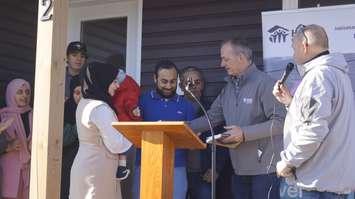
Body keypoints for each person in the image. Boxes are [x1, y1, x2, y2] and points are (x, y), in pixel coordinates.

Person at [189, 38, 286, 199]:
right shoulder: (228, 89)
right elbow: (211, 118)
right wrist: (181, 127)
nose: (221, 64)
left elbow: (280, 122)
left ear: (241, 57)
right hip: (239, 171)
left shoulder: (265, 83)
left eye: (225, 59)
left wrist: (244, 133)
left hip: (265, 171)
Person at [273, 24, 355, 198]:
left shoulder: (318, 77)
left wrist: (287, 162)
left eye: (294, 47)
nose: (293, 53)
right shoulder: (339, 75)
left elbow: (313, 130)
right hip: (331, 182)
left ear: (304, 46)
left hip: (314, 185)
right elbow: (322, 120)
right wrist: (290, 103)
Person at [132, 60, 195, 199]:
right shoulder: (142, 101)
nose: (168, 86)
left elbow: (193, 139)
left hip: (176, 166)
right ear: (155, 78)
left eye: (173, 81)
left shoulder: (187, 105)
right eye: (164, 81)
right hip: (145, 164)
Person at [69, 62, 132, 199]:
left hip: (86, 165)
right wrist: (137, 135)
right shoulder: (100, 108)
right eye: (114, 81)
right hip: (97, 169)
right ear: (103, 80)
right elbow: (115, 144)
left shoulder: (84, 103)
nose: (117, 85)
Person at [179, 66, 230, 199]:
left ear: (203, 84)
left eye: (197, 82)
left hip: (203, 173)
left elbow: (222, 141)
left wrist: (216, 168)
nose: (193, 86)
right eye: (188, 82)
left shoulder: (212, 110)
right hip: (178, 170)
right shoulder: (174, 108)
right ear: (181, 85)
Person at [0, 79, 33, 199]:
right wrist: (9, 146)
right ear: (11, 93)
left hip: (29, 170)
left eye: (27, 92)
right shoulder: (3, 116)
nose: (24, 95)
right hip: (9, 172)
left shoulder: (35, 114)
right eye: (19, 92)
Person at [60, 76, 81, 199]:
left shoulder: (92, 110)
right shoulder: (66, 108)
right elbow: (63, 138)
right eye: (77, 93)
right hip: (67, 162)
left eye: (83, 93)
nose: (80, 97)